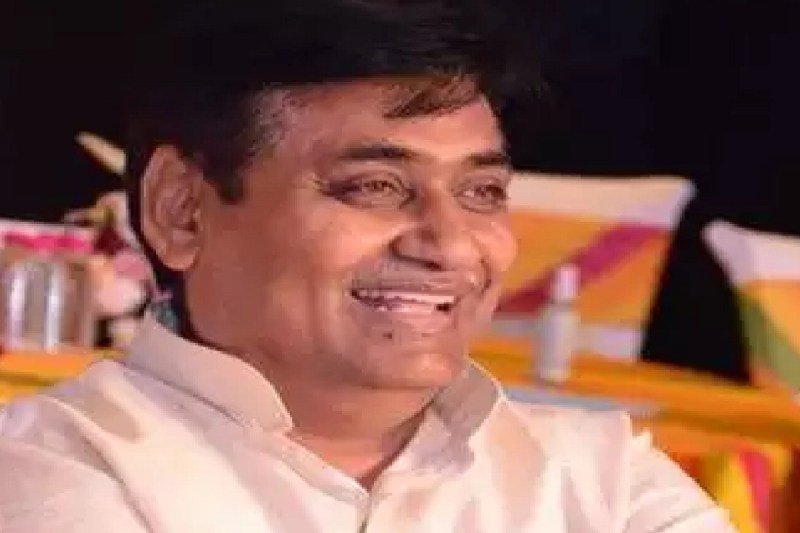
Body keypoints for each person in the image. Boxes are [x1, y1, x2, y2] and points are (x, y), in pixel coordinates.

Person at [0, 1, 736, 531]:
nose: (450, 244)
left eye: (482, 192)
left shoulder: (600, 478)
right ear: (181, 210)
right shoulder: (52, 470)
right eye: (375, 186)